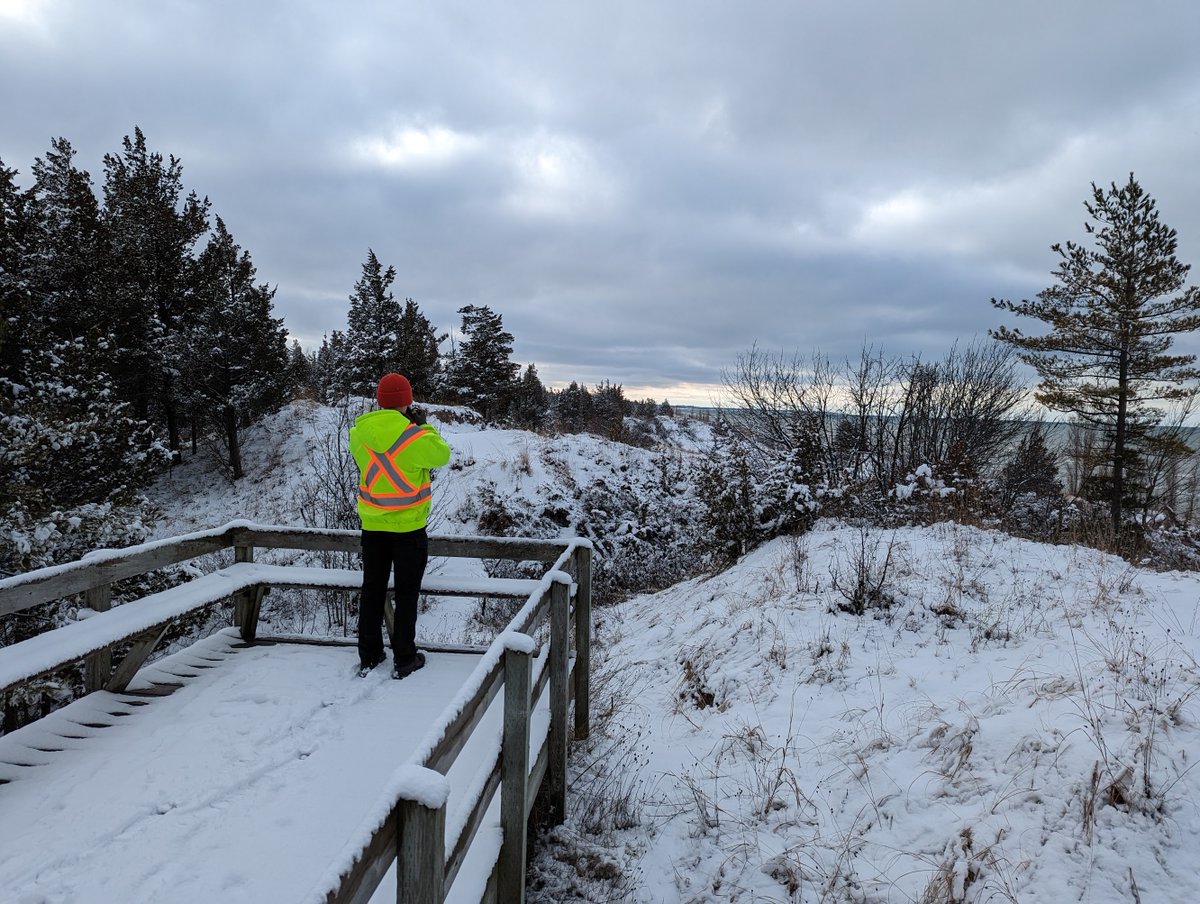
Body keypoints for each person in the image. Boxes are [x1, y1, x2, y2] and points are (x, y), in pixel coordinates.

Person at [349, 372, 451, 678]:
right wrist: (422, 425)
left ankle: (369, 655)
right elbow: (441, 454)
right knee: (407, 594)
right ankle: (405, 658)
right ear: (408, 401)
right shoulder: (414, 436)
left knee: (372, 590)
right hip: (408, 529)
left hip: (373, 526)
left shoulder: (359, 435)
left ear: (380, 401)